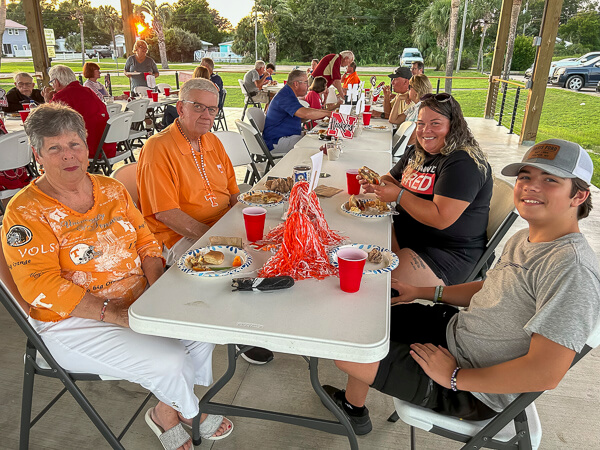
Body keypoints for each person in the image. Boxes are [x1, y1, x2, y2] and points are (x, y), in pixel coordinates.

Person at [322, 138, 599, 437]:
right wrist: (424, 292)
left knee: (347, 350)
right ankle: (354, 408)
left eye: (550, 180)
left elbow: (545, 373)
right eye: (525, 177)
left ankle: (357, 409)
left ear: (579, 196)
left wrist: (455, 377)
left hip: (472, 388)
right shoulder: (526, 238)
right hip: (454, 333)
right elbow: (491, 288)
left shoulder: (572, 269)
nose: (532, 186)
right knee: (364, 315)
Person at [2, 103, 234, 449]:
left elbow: (146, 242)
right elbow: (39, 285)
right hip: (71, 319)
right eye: (55, 148)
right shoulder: (26, 210)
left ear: (86, 144)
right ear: (37, 154)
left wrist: (158, 290)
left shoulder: (109, 188)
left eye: (75, 144)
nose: (69, 156)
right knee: (170, 359)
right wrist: (113, 313)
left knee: (201, 327)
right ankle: (188, 409)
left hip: (136, 298)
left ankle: (166, 410)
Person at [363, 94, 492, 289]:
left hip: (445, 253)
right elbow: (388, 178)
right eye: (421, 123)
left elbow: (440, 218)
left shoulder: (463, 162)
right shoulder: (418, 152)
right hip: (406, 235)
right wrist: (380, 186)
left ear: (453, 125)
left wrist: (398, 195)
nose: (425, 131)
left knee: (374, 288)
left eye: (435, 124)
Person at [42, 65, 116, 159]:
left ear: (56, 82)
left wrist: (47, 101)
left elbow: (48, 122)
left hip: (88, 149)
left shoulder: (61, 96)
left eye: (52, 82)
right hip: (106, 146)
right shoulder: (87, 91)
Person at [262, 69, 332, 155]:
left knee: (319, 140)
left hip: (285, 137)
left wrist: (320, 113)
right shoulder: (285, 97)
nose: (309, 85)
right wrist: (328, 113)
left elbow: (302, 116)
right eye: (306, 82)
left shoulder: (288, 93)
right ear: (296, 84)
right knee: (317, 146)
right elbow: (305, 113)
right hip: (277, 141)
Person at [396, 74, 432, 145]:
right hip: (404, 145)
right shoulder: (414, 107)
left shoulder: (421, 110)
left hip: (409, 150)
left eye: (409, 87)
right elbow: (393, 120)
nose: (407, 89)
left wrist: (398, 148)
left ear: (416, 90)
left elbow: (413, 139)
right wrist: (398, 99)